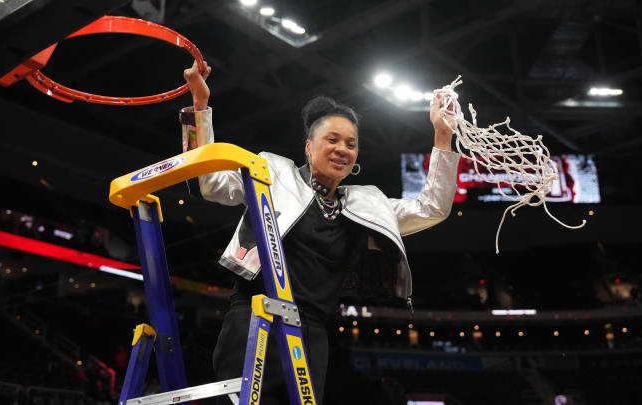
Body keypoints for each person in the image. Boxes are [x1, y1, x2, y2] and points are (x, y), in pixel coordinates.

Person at [180, 61, 459, 404]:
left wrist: (443, 136)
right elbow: (207, 182)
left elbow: (433, 208)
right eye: (332, 139)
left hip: (312, 332)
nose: (343, 148)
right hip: (255, 316)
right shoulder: (271, 171)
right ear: (309, 146)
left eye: (351, 143)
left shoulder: (365, 203)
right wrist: (199, 107)